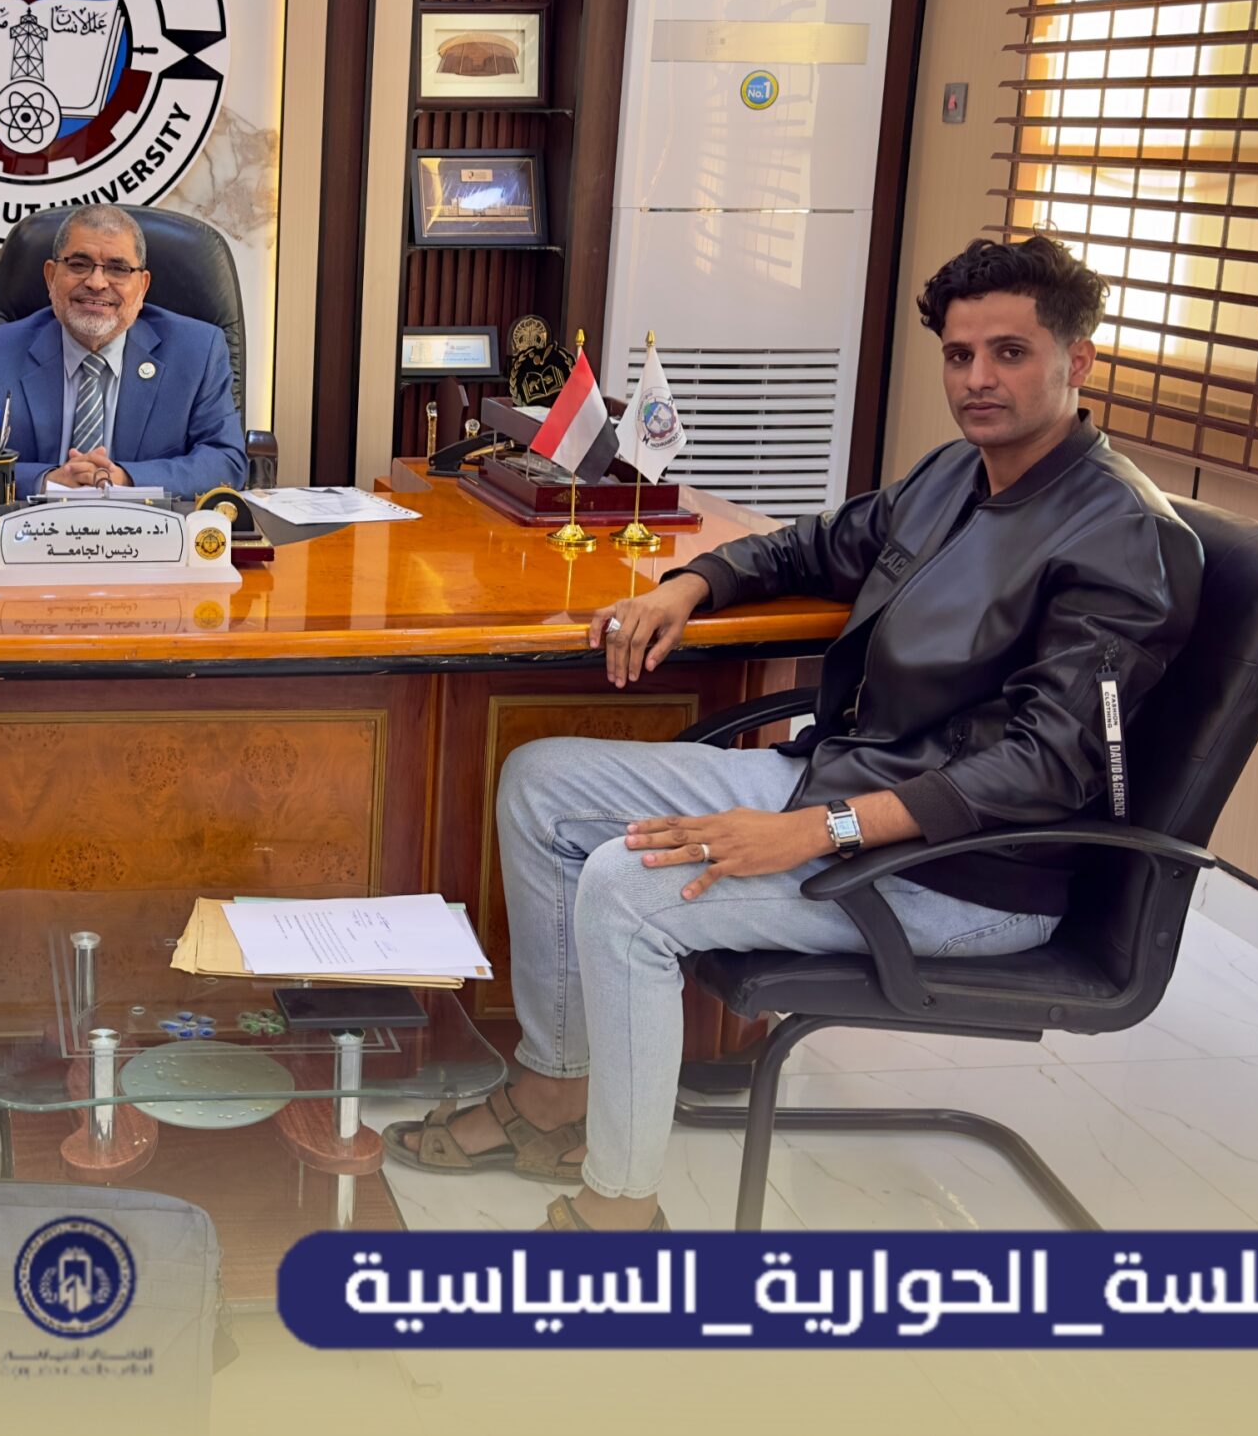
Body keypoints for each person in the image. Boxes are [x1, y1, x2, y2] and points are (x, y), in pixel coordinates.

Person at [391, 235, 1203, 1229]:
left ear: (1079, 360)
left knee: (623, 889)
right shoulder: (958, 473)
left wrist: (818, 831)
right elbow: (814, 544)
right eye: (959, 355)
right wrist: (690, 584)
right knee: (542, 782)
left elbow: (1046, 765)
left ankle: (619, 1216)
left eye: (1009, 353)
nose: (977, 380)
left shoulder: (1120, 534)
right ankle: (558, 1094)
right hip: (845, 783)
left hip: (969, 872)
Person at [0, 204, 247, 499]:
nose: (96, 282)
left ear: (143, 286)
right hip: (28, 538)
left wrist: (125, 480)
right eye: (79, 264)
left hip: (152, 538)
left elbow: (225, 461)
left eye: (118, 269)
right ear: (51, 276)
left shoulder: (197, 352)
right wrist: (47, 481)